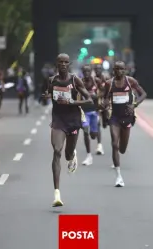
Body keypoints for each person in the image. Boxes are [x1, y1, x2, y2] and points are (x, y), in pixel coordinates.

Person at [43, 54, 92, 207]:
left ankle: (73, 155)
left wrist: (72, 101)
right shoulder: (52, 80)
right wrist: (47, 96)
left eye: (65, 62)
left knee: (68, 154)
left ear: (69, 64)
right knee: (57, 151)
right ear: (57, 64)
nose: (63, 64)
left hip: (73, 120)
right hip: (58, 120)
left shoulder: (74, 80)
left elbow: (89, 99)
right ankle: (57, 193)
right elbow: (49, 93)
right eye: (60, 62)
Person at [102, 61, 147, 187]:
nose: (119, 71)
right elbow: (105, 97)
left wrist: (134, 104)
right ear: (113, 70)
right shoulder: (109, 83)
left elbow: (143, 94)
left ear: (125, 70)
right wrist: (104, 106)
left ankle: (120, 153)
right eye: (116, 69)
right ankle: (118, 176)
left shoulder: (130, 81)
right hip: (114, 117)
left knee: (122, 149)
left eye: (121, 69)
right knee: (114, 144)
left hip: (127, 117)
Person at [80, 65, 103, 165]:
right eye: (84, 71)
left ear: (91, 71)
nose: (86, 73)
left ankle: (98, 142)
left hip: (94, 111)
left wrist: (96, 96)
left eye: (88, 71)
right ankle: (89, 156)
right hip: (84, 111)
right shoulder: (79, 82)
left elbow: (103, 91)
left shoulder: (96, 81)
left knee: (93, 135)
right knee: (85, 130)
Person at [94, 64, 108, 153]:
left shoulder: (105, 79)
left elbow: (106, 91)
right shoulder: (92, 79)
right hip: (95, 105)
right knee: (97, 124)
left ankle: (106, 120)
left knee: (105, 124)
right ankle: (99, 145)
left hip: (104, 103)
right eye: (96, 69)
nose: (97, 71)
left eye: (99, 69)